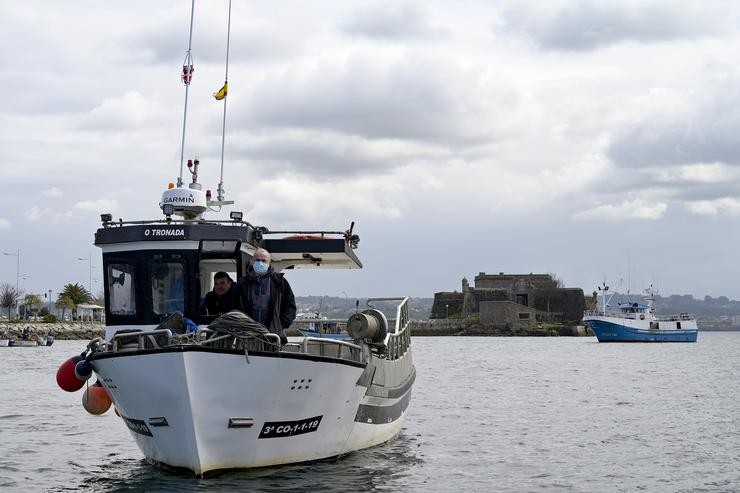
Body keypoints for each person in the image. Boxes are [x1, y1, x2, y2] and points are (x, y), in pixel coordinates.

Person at [236, 248, 296, 344]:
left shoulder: (280, 282)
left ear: (269, 262)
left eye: (263, 260)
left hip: (273, 336)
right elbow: (234, 305)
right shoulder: (243, 283)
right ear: (252, 261)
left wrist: (281, 324)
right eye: (257, 260)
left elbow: (290, 306)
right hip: (247, 335)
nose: (260, 263)